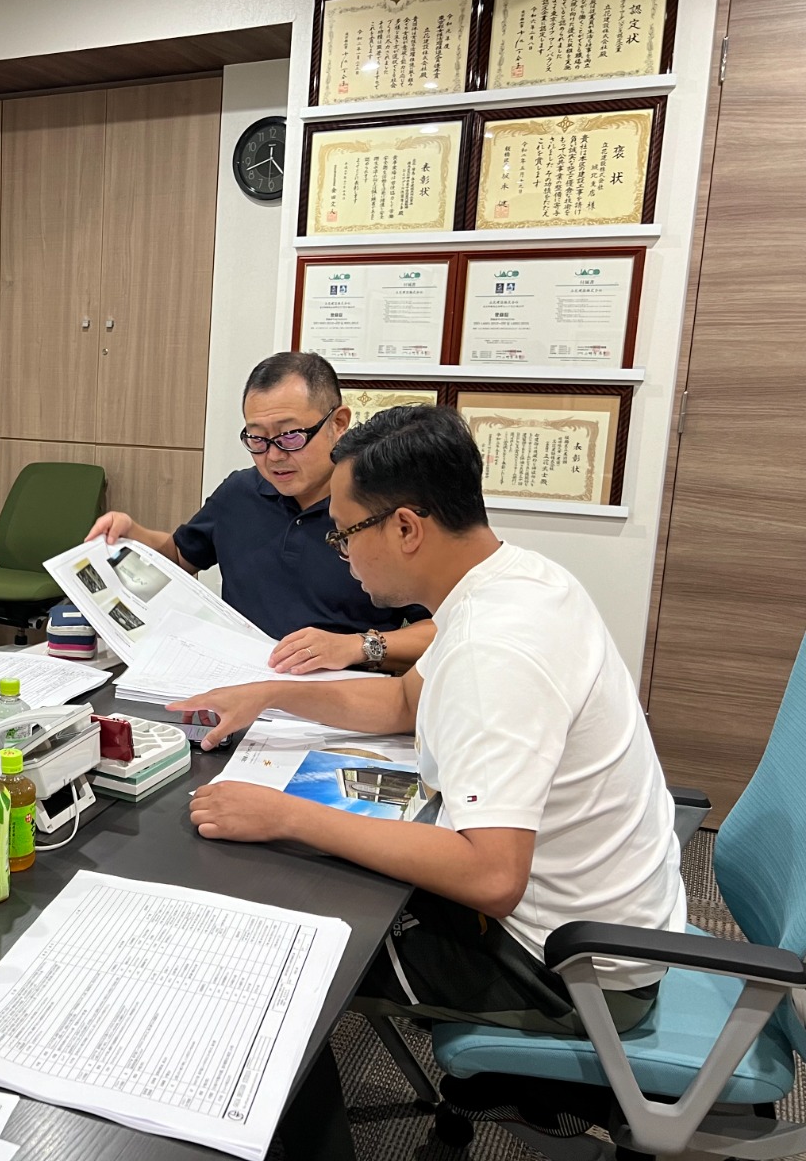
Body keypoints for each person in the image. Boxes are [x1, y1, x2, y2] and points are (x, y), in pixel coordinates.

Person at [174, 405, 686, 1033]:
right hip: (603, 922)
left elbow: (491, 874)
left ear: (406, 529)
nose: (342, 556)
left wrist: (285, 815)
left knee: (264, 958)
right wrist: (271, 694)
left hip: (568, 973)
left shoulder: (492, 648)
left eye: (343, 535)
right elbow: (405, 703)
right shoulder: (516, 579)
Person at [87, 352, 432, 674]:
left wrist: (357, 646)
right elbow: (180, 555)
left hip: (338, 698)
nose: (274, 455)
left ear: (338, 423)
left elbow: (442, 626)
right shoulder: (239, 493)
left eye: (291, 436)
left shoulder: (381, 509)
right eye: (257, 438)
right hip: (237, 681)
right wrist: (134, 534)